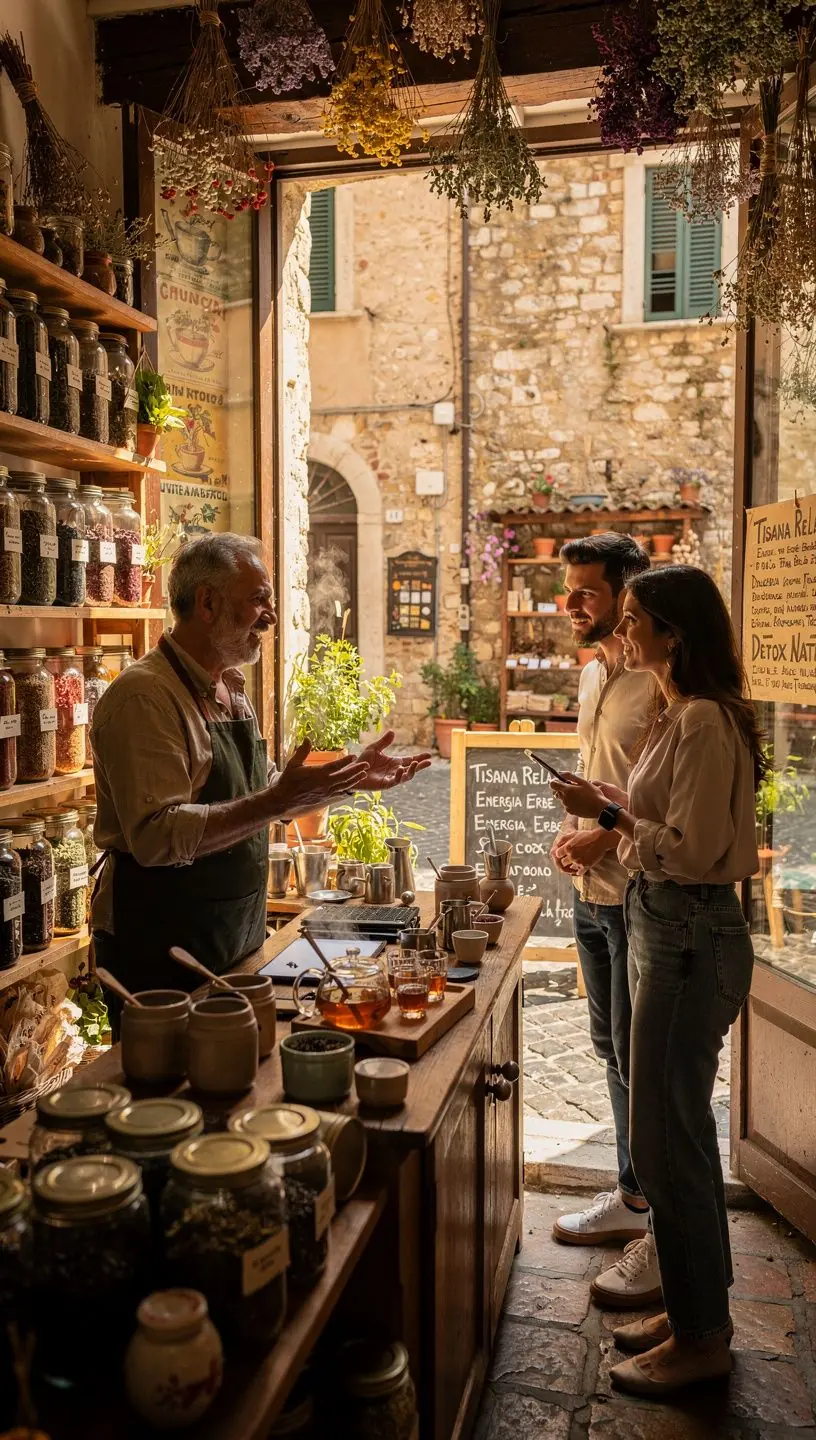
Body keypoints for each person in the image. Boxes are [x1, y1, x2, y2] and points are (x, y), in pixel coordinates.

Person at [552, 565, 762, 1397]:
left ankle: (703, 1339)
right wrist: (611, 799)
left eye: (635, 618)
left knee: (667, 1140)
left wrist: (608, 816)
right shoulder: (683, 715)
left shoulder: (706, 719)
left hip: (687, 934)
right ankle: (690, 1306)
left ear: (674, 634)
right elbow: (670, 822)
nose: (623, 630)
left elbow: (693, 848)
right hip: (664, 926)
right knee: (675, 1136)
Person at [91, 533, 430, 1006]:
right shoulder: (145, 698)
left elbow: (263, 789)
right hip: (160, 950)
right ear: (207, 603)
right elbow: (155, 836)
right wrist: (278, 801)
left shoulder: (230, 686)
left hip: (234, 937)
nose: (270, 616)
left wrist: (341, 780)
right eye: (258, 600)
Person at [550, 535, 659, 1305]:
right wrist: (575, 828)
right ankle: (633, 1196)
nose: (572, 604)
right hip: (591, 888)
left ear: (628, 592)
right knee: (607, 1046)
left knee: (639, 1053)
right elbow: (604, 777)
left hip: (640, 893)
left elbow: (673, 802)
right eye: (569, 590)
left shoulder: (663, 683)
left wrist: (609, 827)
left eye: (586, 591)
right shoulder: (593, 675)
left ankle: (647, 1208)